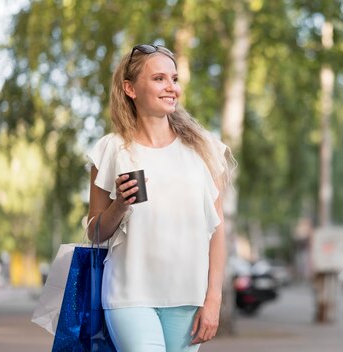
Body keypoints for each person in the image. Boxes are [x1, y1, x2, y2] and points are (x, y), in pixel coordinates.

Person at [86, 44, 234, 352]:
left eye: (174, 78)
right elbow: (95, 232)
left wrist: (213, 299)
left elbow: (217, 231)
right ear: (130, 88)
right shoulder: (111, 150)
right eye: (159, 79)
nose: (171, 87)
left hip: (189, 296)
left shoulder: (204, 150)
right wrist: (120, 205)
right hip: (129, 295)